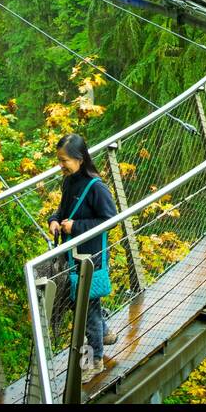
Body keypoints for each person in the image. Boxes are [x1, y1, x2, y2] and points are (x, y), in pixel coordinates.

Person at [48, 133, 118, 382]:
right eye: (59, 160)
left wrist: (74, 227)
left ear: (79, 158)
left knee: (85, 310)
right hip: (72, 257)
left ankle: (93, 362)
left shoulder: (95, 187)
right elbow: (63, 210)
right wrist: (55, 220)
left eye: (64, 160)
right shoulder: (68, 182)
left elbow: (110, 219)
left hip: (90, 258)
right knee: (85, 306)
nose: (60, 165)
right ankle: (104, 332)